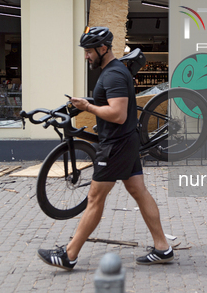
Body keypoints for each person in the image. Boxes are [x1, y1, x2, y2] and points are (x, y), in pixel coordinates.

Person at [37, 26, 173, 271]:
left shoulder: (113, 75)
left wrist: (88, 108)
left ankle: (69, 254)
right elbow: (108, 103)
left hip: (116, 145)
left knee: (95, 197)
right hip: (125, 142)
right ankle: (163, 247)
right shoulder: (112, 71)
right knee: (139, 191)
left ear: (103, 49)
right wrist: (83, 103)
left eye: (89, 51)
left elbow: (118, 114)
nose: (86, 56)